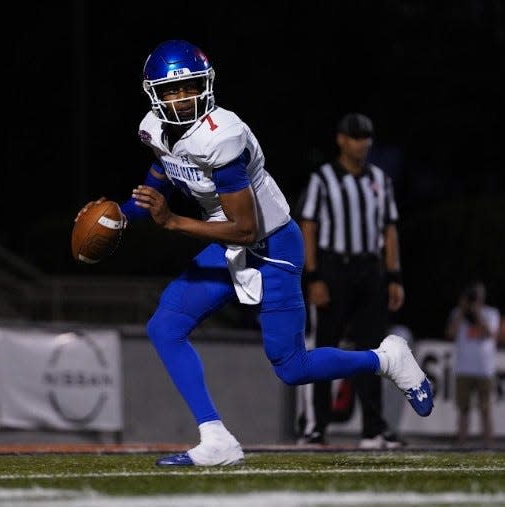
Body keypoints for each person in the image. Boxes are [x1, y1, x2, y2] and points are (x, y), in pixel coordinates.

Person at [76, 40, 433, 466]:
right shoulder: (154, 128)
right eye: (171, 91)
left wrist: (172, 222)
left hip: (272, 246)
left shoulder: (221, 137)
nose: (182, 98)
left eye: (189, 87)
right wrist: (118, 215)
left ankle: (386, 359)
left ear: (205, 86)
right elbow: (157, 184)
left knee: (292, 367)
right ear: (154, 95)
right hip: (225, 242)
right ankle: (216, 438)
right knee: (165, 327)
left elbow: (245, 229)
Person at [296, 113, 407, 449]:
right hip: (334, 268)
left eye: (367, 137)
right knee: (323, 349)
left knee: (373, 351)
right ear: (341, 140)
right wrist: (313, 275)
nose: (363, 143)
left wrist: (394, 276)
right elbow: (309, 227)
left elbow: (389, 231)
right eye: (357, 137)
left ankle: (373, 428)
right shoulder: (323, 179)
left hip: (369, 271)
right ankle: (316, 426)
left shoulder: (380, 181)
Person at [445, 281, 501, 448]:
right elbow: (450, 333)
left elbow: (489, 333)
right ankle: (461, 444)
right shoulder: (457, 313)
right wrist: (462, 312)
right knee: (463, 409)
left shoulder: (491, 313)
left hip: (484, 370)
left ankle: (489, 446)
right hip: (464, 369)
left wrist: (477, 313)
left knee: (485, 410)